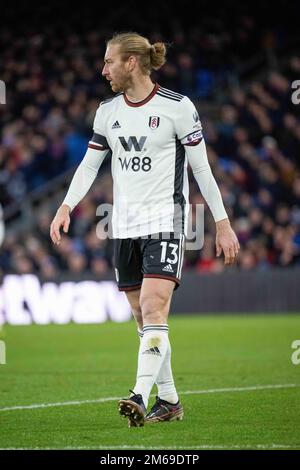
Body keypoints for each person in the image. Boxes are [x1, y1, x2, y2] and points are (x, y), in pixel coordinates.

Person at [50, 32, 240, 428]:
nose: (103, 70)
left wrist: (221, 223)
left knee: (154, 308)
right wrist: (65, 206)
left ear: (131, 62)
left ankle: (139, 394)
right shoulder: (107, 112)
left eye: (109, 62)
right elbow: (89, 166)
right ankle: (169, 400)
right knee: (142, 318)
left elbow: (201, 168)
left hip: (167, 222)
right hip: (121, 225)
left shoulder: (178, 108)